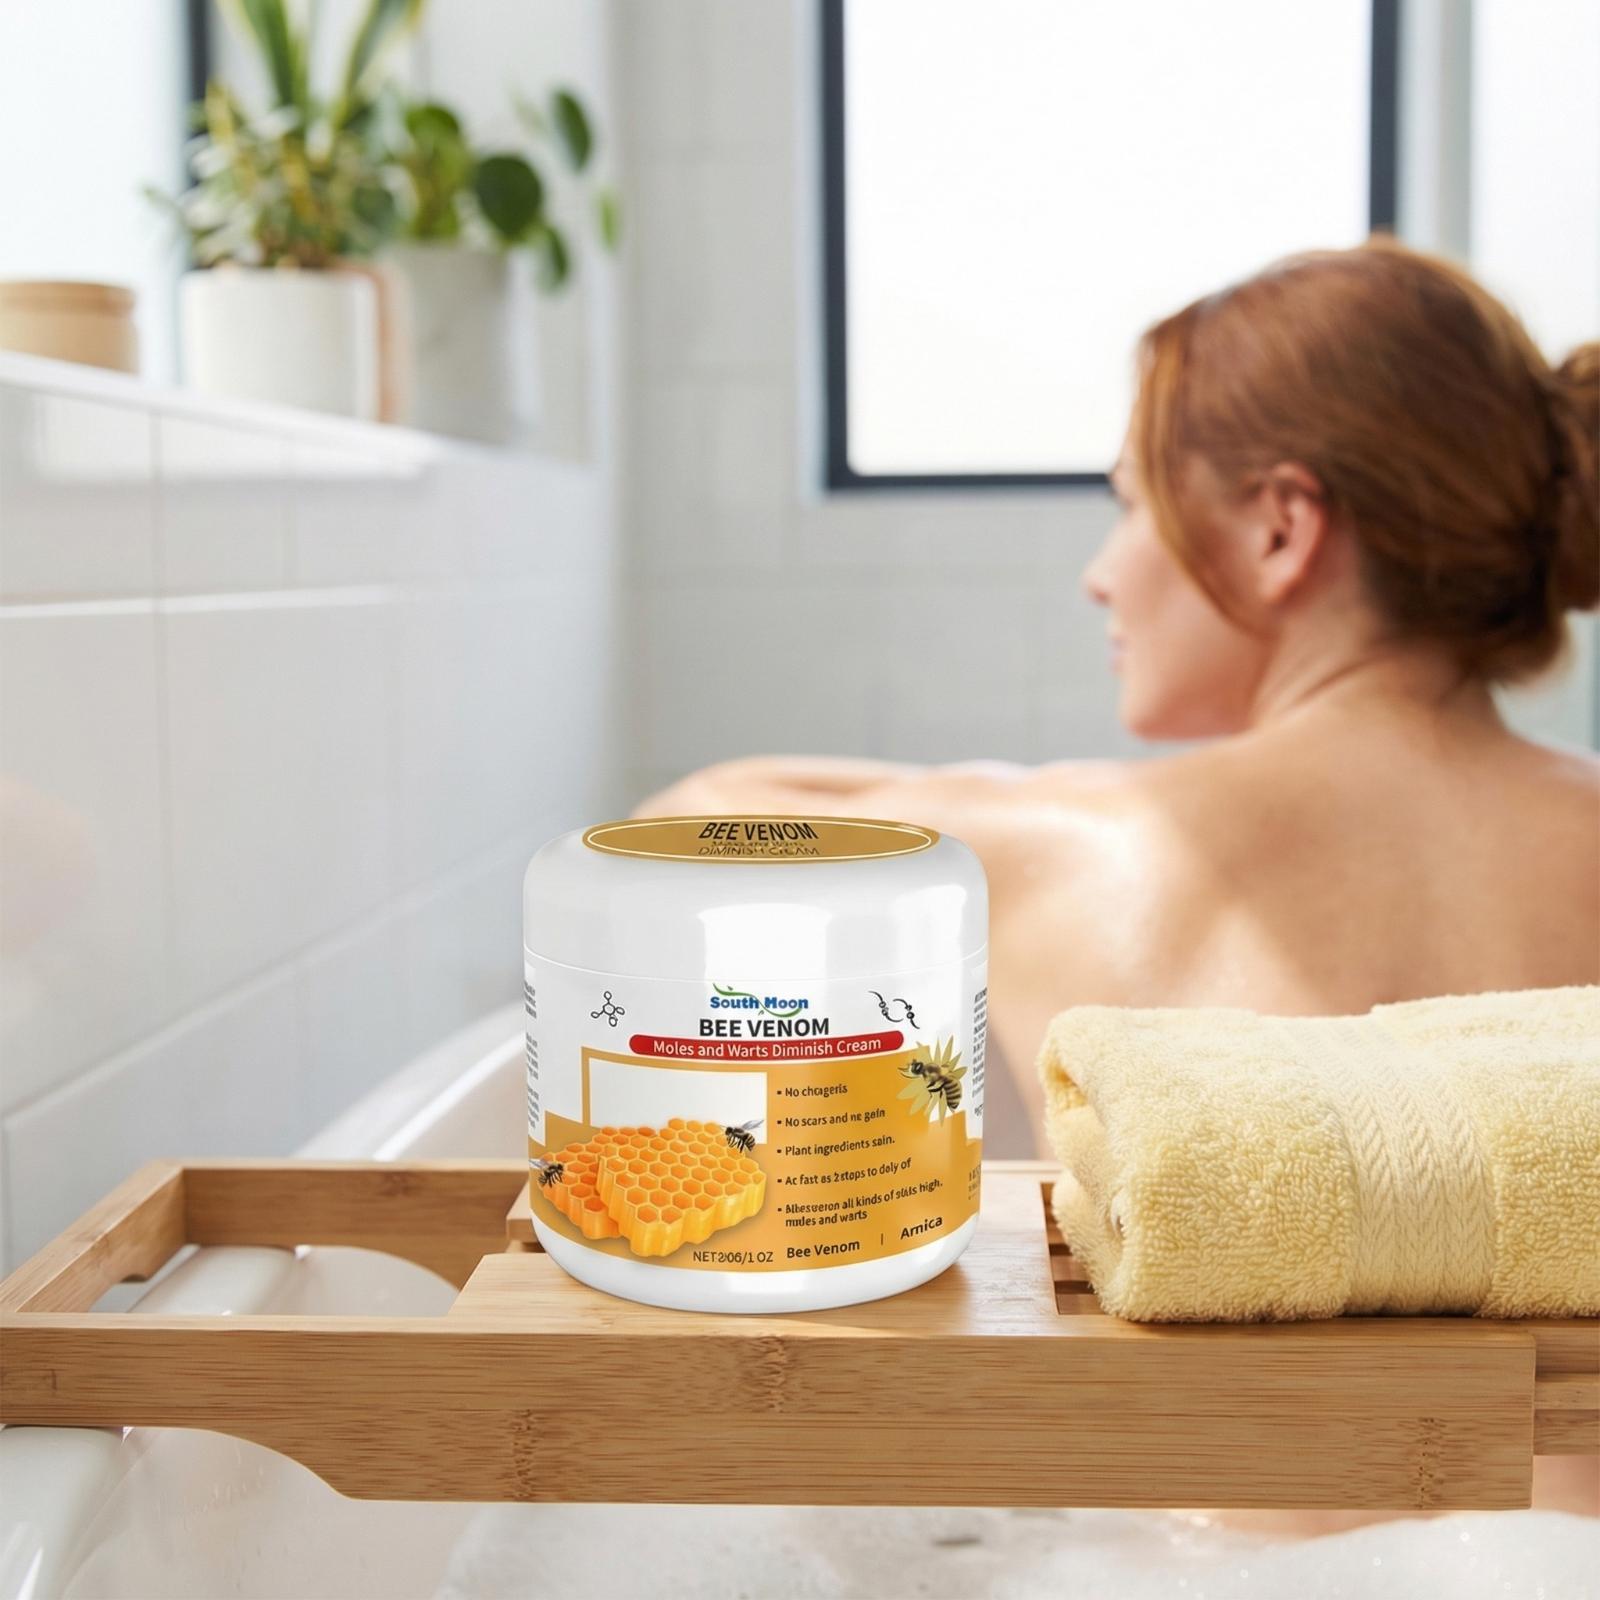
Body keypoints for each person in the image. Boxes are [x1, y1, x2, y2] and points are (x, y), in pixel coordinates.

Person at [636, 238, 1600, 1527]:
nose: (1105, 569)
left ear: (1280, 529)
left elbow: (681, 830)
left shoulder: (1078, 853)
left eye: (1133, 501)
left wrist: (1001, 789)